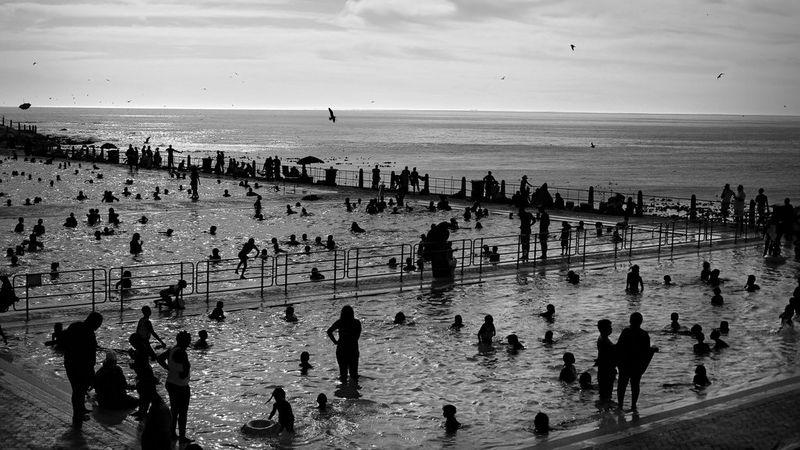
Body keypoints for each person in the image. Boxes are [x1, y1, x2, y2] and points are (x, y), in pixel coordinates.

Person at [62, 311, 103, 428]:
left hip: (70, 363)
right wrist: (92, 374)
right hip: (82, 367)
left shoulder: (75, 326)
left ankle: (80, 411)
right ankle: (78, 416)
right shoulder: (89, 333)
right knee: (79, 392)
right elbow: (90, 356)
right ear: (94, 322)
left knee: (77, 390)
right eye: (98, 324)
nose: (98, 327)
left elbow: (65, 341)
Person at [157, 330, 193, 444]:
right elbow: (185, 370)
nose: (189, 343)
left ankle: (172, 433)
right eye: (188, 341)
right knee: (183, 412)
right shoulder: (182, 352)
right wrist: (183, 373)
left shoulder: (172, 350)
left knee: (174, 410)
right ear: (184, 341)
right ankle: (182, 437)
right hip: (180, 386)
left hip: (171, 383)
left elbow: (159, 359)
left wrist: (168, 368)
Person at [616, 312, 657, 411]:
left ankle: (620, 405)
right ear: (641, 322)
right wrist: (653, 349)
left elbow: (619, 347)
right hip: (637, 364)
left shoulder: (626, 332)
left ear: (630, 321)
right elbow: (646, 351)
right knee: (635, 384)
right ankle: (633, 405)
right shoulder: (644, 334)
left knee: (622, 384)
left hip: (625, 363)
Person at [327, 305, 362, 383]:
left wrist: (335, 342)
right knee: (354, 374)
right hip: (353, 349)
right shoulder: (356, 322)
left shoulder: (340, 322)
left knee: (343, 375)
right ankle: (354, 391)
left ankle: (343, 390)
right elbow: (357, 336)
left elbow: (329, 331)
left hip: (341, 349)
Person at [128, 333, 158, 420]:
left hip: (145, 374)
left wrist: (133, 365)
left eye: (132, 343)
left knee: (145, 394)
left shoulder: (142, 349)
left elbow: (141, 364)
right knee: (142, 393)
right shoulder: (139, 349)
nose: (132, 345)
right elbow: (138, 360)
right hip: (142, 374)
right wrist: (132, 356)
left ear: (136, 341)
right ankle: (141, 411)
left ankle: (143, 412)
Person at [595, 319, 616, 403]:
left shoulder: (602, 339)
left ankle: (604, 410)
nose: (611, 329)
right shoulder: (604, 341)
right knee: (606, 392)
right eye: (609, 327)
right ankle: (605, 410)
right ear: (603, 329)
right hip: (606, 369)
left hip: (603, 368)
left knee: (604, 393)